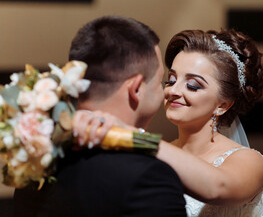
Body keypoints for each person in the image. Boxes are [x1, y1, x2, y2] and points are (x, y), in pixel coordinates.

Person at [75, 29, 263, 217]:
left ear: (222, 105)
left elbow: (217, 187)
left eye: (193, 85)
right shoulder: (160, 152)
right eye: (171, 80)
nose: (173, 90)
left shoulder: (250, 161)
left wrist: (131, 135)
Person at [13, 15, 187, 217]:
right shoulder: (148, 176)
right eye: (161, 81)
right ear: (136, 88)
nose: (166, 91)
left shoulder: (36, 160)